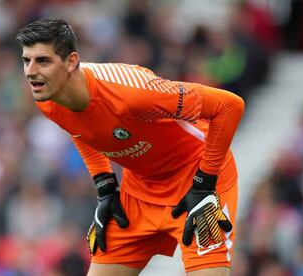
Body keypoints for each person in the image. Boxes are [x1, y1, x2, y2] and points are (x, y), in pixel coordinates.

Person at [16, 18, 245, 276]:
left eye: (43, 61)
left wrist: (204, 182)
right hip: (140, 188)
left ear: (71, 61)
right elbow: (80, 128)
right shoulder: (47, 97)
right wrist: (105, 186)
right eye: (27, 61)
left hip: (196, 178)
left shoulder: (131, 92)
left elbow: (229, 106)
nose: (31, 71)